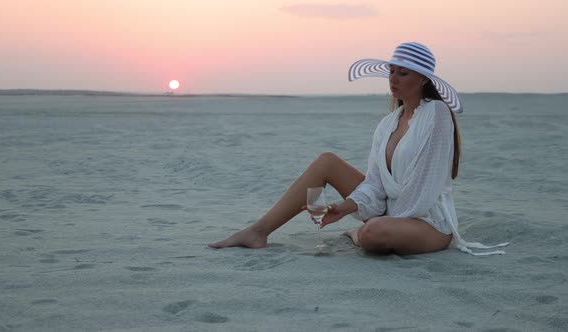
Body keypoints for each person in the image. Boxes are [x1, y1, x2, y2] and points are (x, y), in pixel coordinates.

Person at [209, 42, 508, 256]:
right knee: (327, 161)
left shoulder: (437, 115)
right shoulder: (388, 124)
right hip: (388, 212)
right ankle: (258, 231)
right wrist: (346, 207)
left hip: (425, 222)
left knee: (373, 233)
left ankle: (357, 233)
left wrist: (374, 219)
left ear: (423, 79)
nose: (393, 79)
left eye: (403, 73)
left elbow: (423, 190)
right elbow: (376, 185)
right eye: (391, 71)